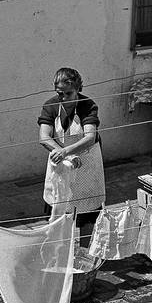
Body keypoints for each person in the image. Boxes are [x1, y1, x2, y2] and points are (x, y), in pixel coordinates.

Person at [38, 68, 105, 249]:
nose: (64, 98)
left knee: (87, 212)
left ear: (78, 89)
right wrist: (63, 153)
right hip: (61, 165)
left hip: (86, 165)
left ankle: (85, 252)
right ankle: (60, 253)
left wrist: (66, 151)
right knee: (60, 210)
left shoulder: (87, 106)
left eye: (69, 93)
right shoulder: (51, 106)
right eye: (60, 93)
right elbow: (44, 136)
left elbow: (89, 137)